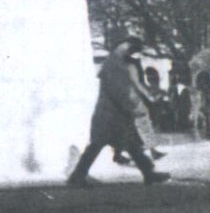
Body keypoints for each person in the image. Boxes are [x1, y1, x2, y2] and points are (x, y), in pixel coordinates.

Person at [68, 36, 170, 187]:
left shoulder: (113, 62)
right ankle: (77, 176)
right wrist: (130, 106)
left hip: (111, 114)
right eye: (132, 49)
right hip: (110, 115)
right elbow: (118, 91)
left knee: (129, 145)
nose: (131, 53)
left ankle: (148, 173)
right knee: (102, 146)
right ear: (125, 45)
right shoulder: (115, 64)